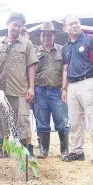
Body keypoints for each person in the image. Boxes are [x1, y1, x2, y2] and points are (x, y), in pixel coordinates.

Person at [0, 12, 38, 157]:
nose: (17, 28)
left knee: (23, 122)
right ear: (8, 24)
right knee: (3, 122)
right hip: (1, 91)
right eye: (14, 25)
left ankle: (26, 151)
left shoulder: (27, 43)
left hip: (20, 90)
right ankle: (6, 150)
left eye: (20, 26)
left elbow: (31, 66)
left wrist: (31, 87)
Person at [61, 14, 93, 165]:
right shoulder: (66, 48)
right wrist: (64, 88)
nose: (74, 25)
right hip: (72, 85)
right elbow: (65, 70)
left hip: (89, 81)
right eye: (71, 24)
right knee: (74, 120)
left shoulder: (91, 39)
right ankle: (77, 150)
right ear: (64, 28)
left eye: (76, 22)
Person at [34, 21, 69, 159]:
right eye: (44, 35)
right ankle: (43, 150)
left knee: (61, 121)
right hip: (40, 91)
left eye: (49, 35)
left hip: (58, 91)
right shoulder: (35, 51)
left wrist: (65, 88)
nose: (46, 38)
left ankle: (65, 150)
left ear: (54, 36)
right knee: (42, 121)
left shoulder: (62, 50)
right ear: (40, 36)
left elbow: (67, 69)